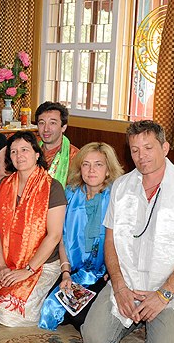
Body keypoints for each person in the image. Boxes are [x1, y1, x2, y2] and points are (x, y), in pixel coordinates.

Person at [81, 121, 174, 343]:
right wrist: (119, 287)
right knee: (93, 340)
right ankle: (134, 320)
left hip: (167, 287)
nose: (141, 156)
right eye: (134, 150)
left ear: (165, 147)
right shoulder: (121, 186)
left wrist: (163, 295)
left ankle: (153, 320)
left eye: (148, 148)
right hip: (127, 281)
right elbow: (110, 241)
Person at [0, 131, 67, 327]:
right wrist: (2, 265)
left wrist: (27, 270)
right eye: (13, 151)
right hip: (6, 255)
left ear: (37, 154)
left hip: (41, 262)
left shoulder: (53, 188)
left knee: (9, 315)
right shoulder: (4, 185)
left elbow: (54, 236)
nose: (19, 155)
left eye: (24, 150)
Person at [38, 142, 124, 331]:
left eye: (98, 164)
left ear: (108, 170)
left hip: (105, 273)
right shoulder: (70, 194)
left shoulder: (117, 198)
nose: (91, 170)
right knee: (49, 308)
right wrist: (66, 273)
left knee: (82, 318)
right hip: (75, 271)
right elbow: (62, 238)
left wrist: (115, 271)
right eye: (86, 164)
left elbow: (124, 241)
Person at [34, 101, 78, 186]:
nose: (46, 129)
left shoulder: (74, 157)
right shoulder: (31, 150)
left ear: (63, 127)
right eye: (42, 123)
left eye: (52, 123)